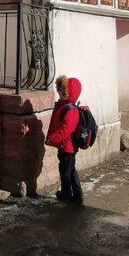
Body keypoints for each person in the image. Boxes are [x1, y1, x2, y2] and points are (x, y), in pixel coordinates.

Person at [45, 75, 84, 204]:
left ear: (69, 93)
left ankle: (66, 195)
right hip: (65, 146)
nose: (60, 95)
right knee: (71, 170)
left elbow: (65, 130)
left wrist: (53, 139)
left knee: (65, 172)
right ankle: (77, 195)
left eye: (63, 93)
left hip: (67, 147)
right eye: (60, 92)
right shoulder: (65, 106)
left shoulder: (70, 110)